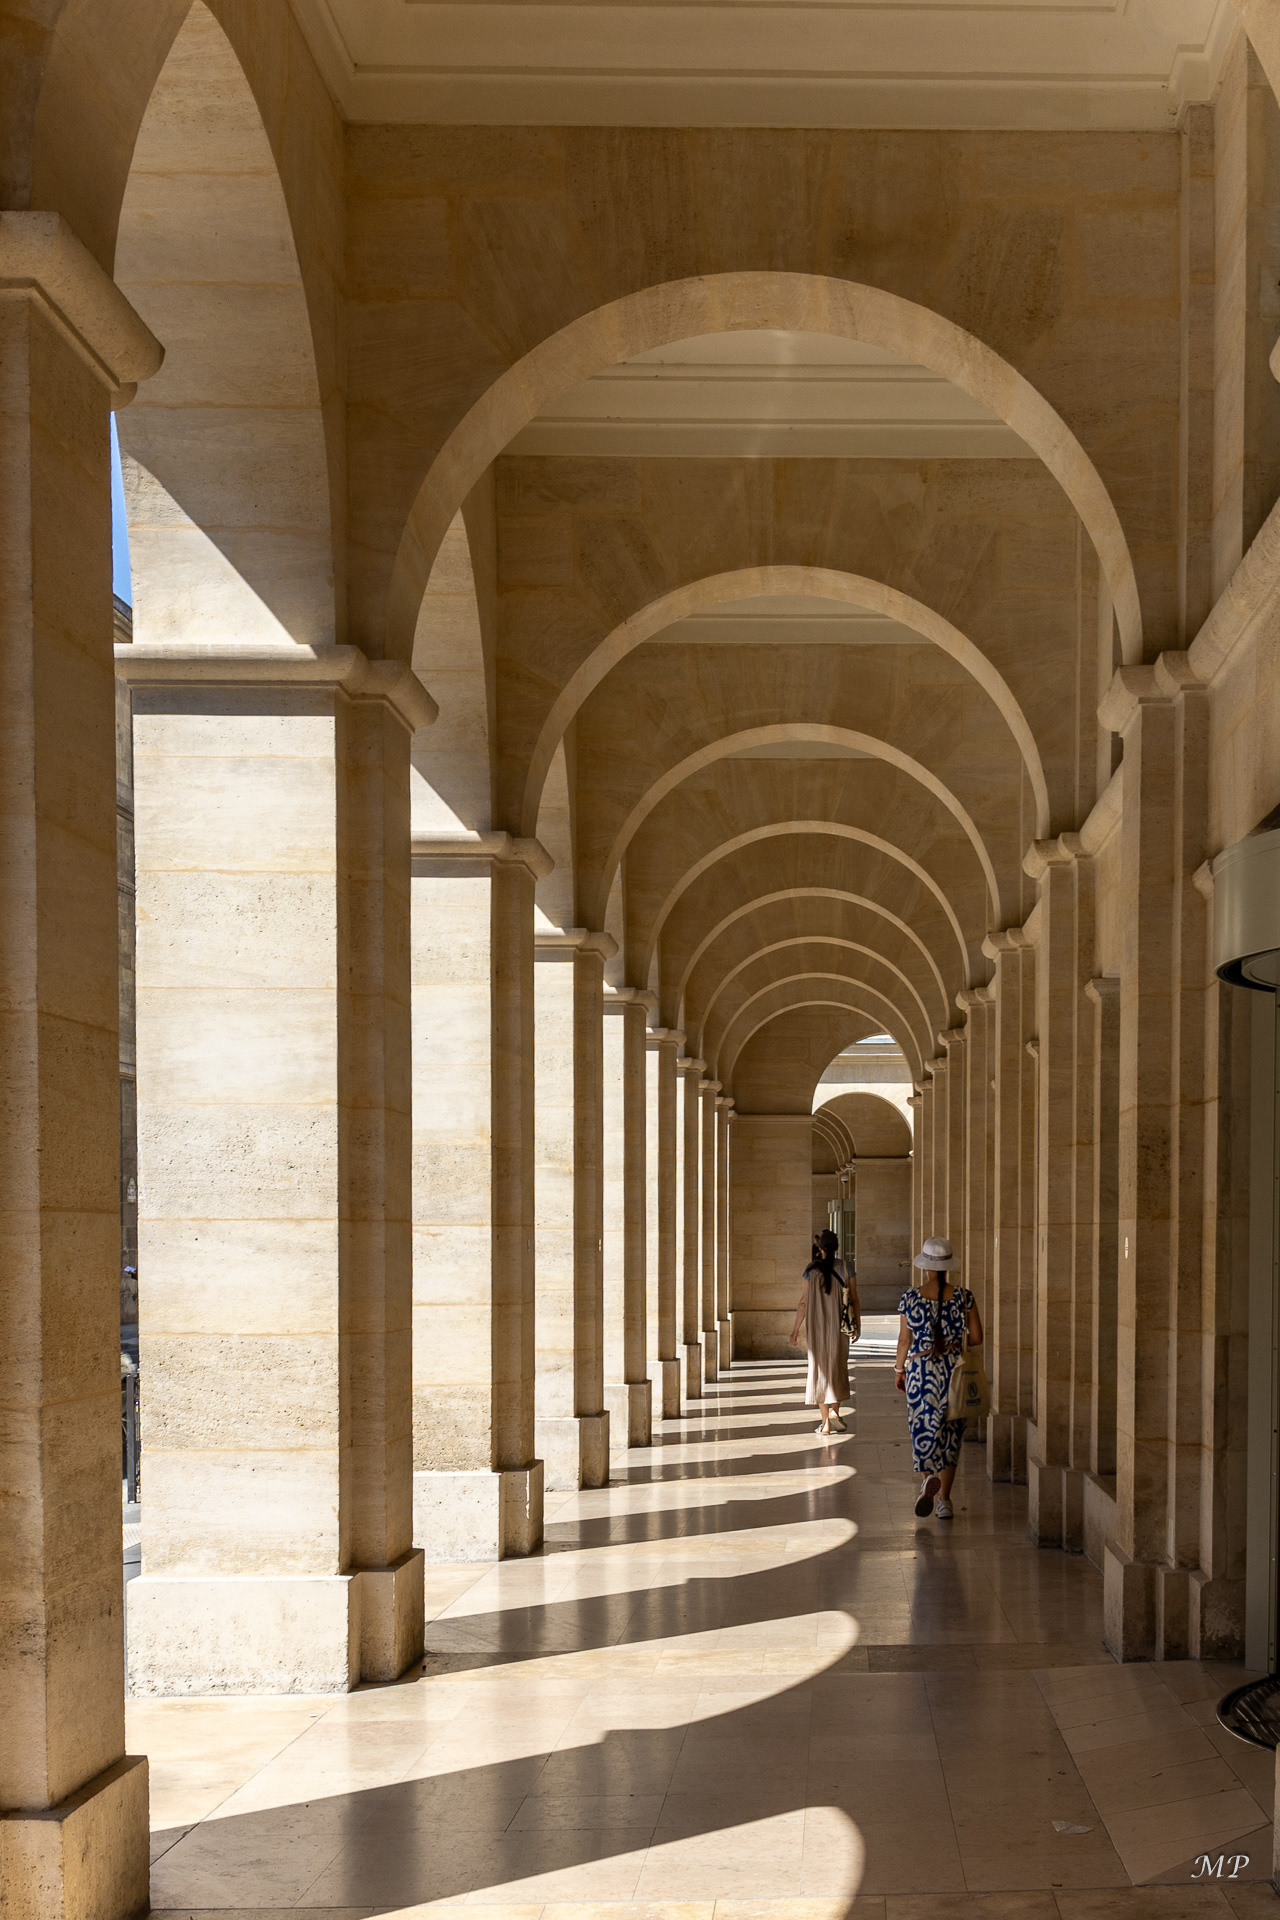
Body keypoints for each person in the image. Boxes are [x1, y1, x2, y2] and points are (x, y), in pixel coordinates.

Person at [894, 1234, 983, 1519]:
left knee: (922, 1430)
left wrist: (899, 1370)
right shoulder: (964, 1296)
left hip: (921, 1373)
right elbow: (978, 1337)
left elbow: (903, 1341)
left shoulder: (910, 1297)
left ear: (926, 1267)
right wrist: (954, 1338)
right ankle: (944, 1501)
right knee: (951, 1437)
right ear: (948, 1267)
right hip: (954, 1372)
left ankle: (926, 1483)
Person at [790, 1228, 859, 1438]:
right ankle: (835, 1413)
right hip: (840, 1328)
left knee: (819, 1372)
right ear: (836, 1247)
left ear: (819, 1248)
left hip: (817, 1329)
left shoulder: (811, 1271)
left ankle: (826, 1423)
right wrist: (858, 1326)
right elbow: (854, 1298)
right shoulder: (847, 1268)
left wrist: (795, 1330)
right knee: (837, 1367)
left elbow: (803, 1302)